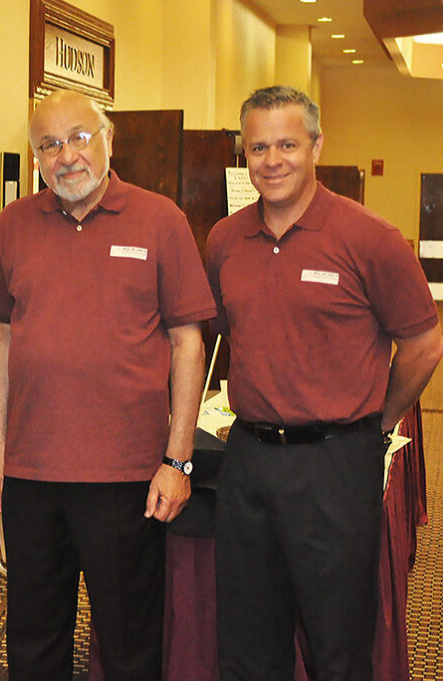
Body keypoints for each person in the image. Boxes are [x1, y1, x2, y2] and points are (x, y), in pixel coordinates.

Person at [206, 85, 443, 681]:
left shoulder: (371, 238)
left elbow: (423, 343)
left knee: (338, 644)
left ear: (316, 146)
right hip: (249, 462)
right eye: (259, 147)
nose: (273, 160)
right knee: (247, 640)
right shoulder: (224, 240)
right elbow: (229, 329)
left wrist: (377, 422)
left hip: (337, 465)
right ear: (244, 153)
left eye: (288, 143)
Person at [0, 89, 215, 681]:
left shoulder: (161, 220)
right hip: (32, 477)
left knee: (131, 644)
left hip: (128, 478)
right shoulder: (12, 226)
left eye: (79, 137)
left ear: (108, 137)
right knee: (33, 644)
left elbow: (189, 343)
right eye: (48, 144)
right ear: (35, 156)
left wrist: (178, 461)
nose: (66, 156)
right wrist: (0, 448)